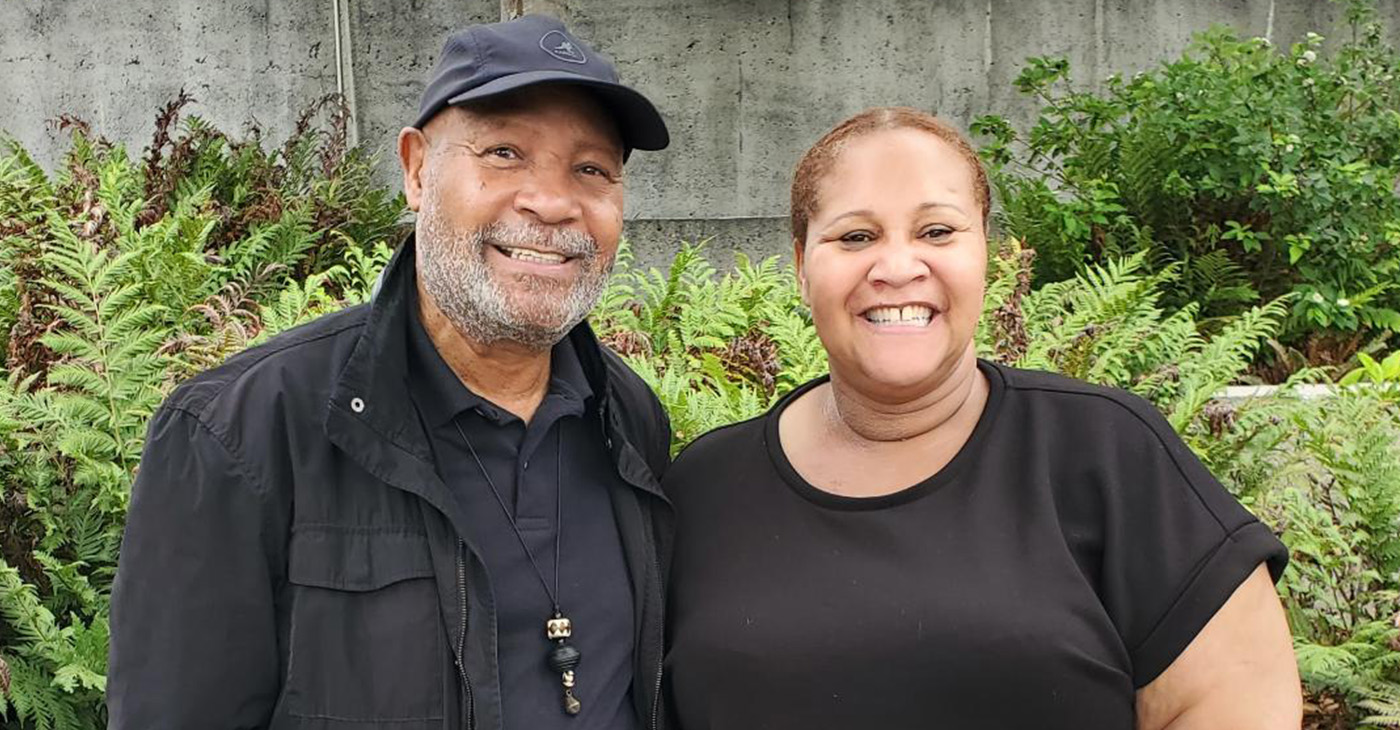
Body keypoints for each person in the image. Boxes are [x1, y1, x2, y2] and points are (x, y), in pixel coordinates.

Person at [108, 15, 674, 730]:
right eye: (504, 152)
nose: (554, 203)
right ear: (416, 170)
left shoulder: (626, 416)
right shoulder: (239, 434)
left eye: (591, 169)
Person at [662, 107, 1302, 729]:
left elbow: (1234, 702)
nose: (897, 267)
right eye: (856, 236)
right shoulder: (706, 486)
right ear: (803, 267)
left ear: (987, 254)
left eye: (937, 232)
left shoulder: (1103, 451)